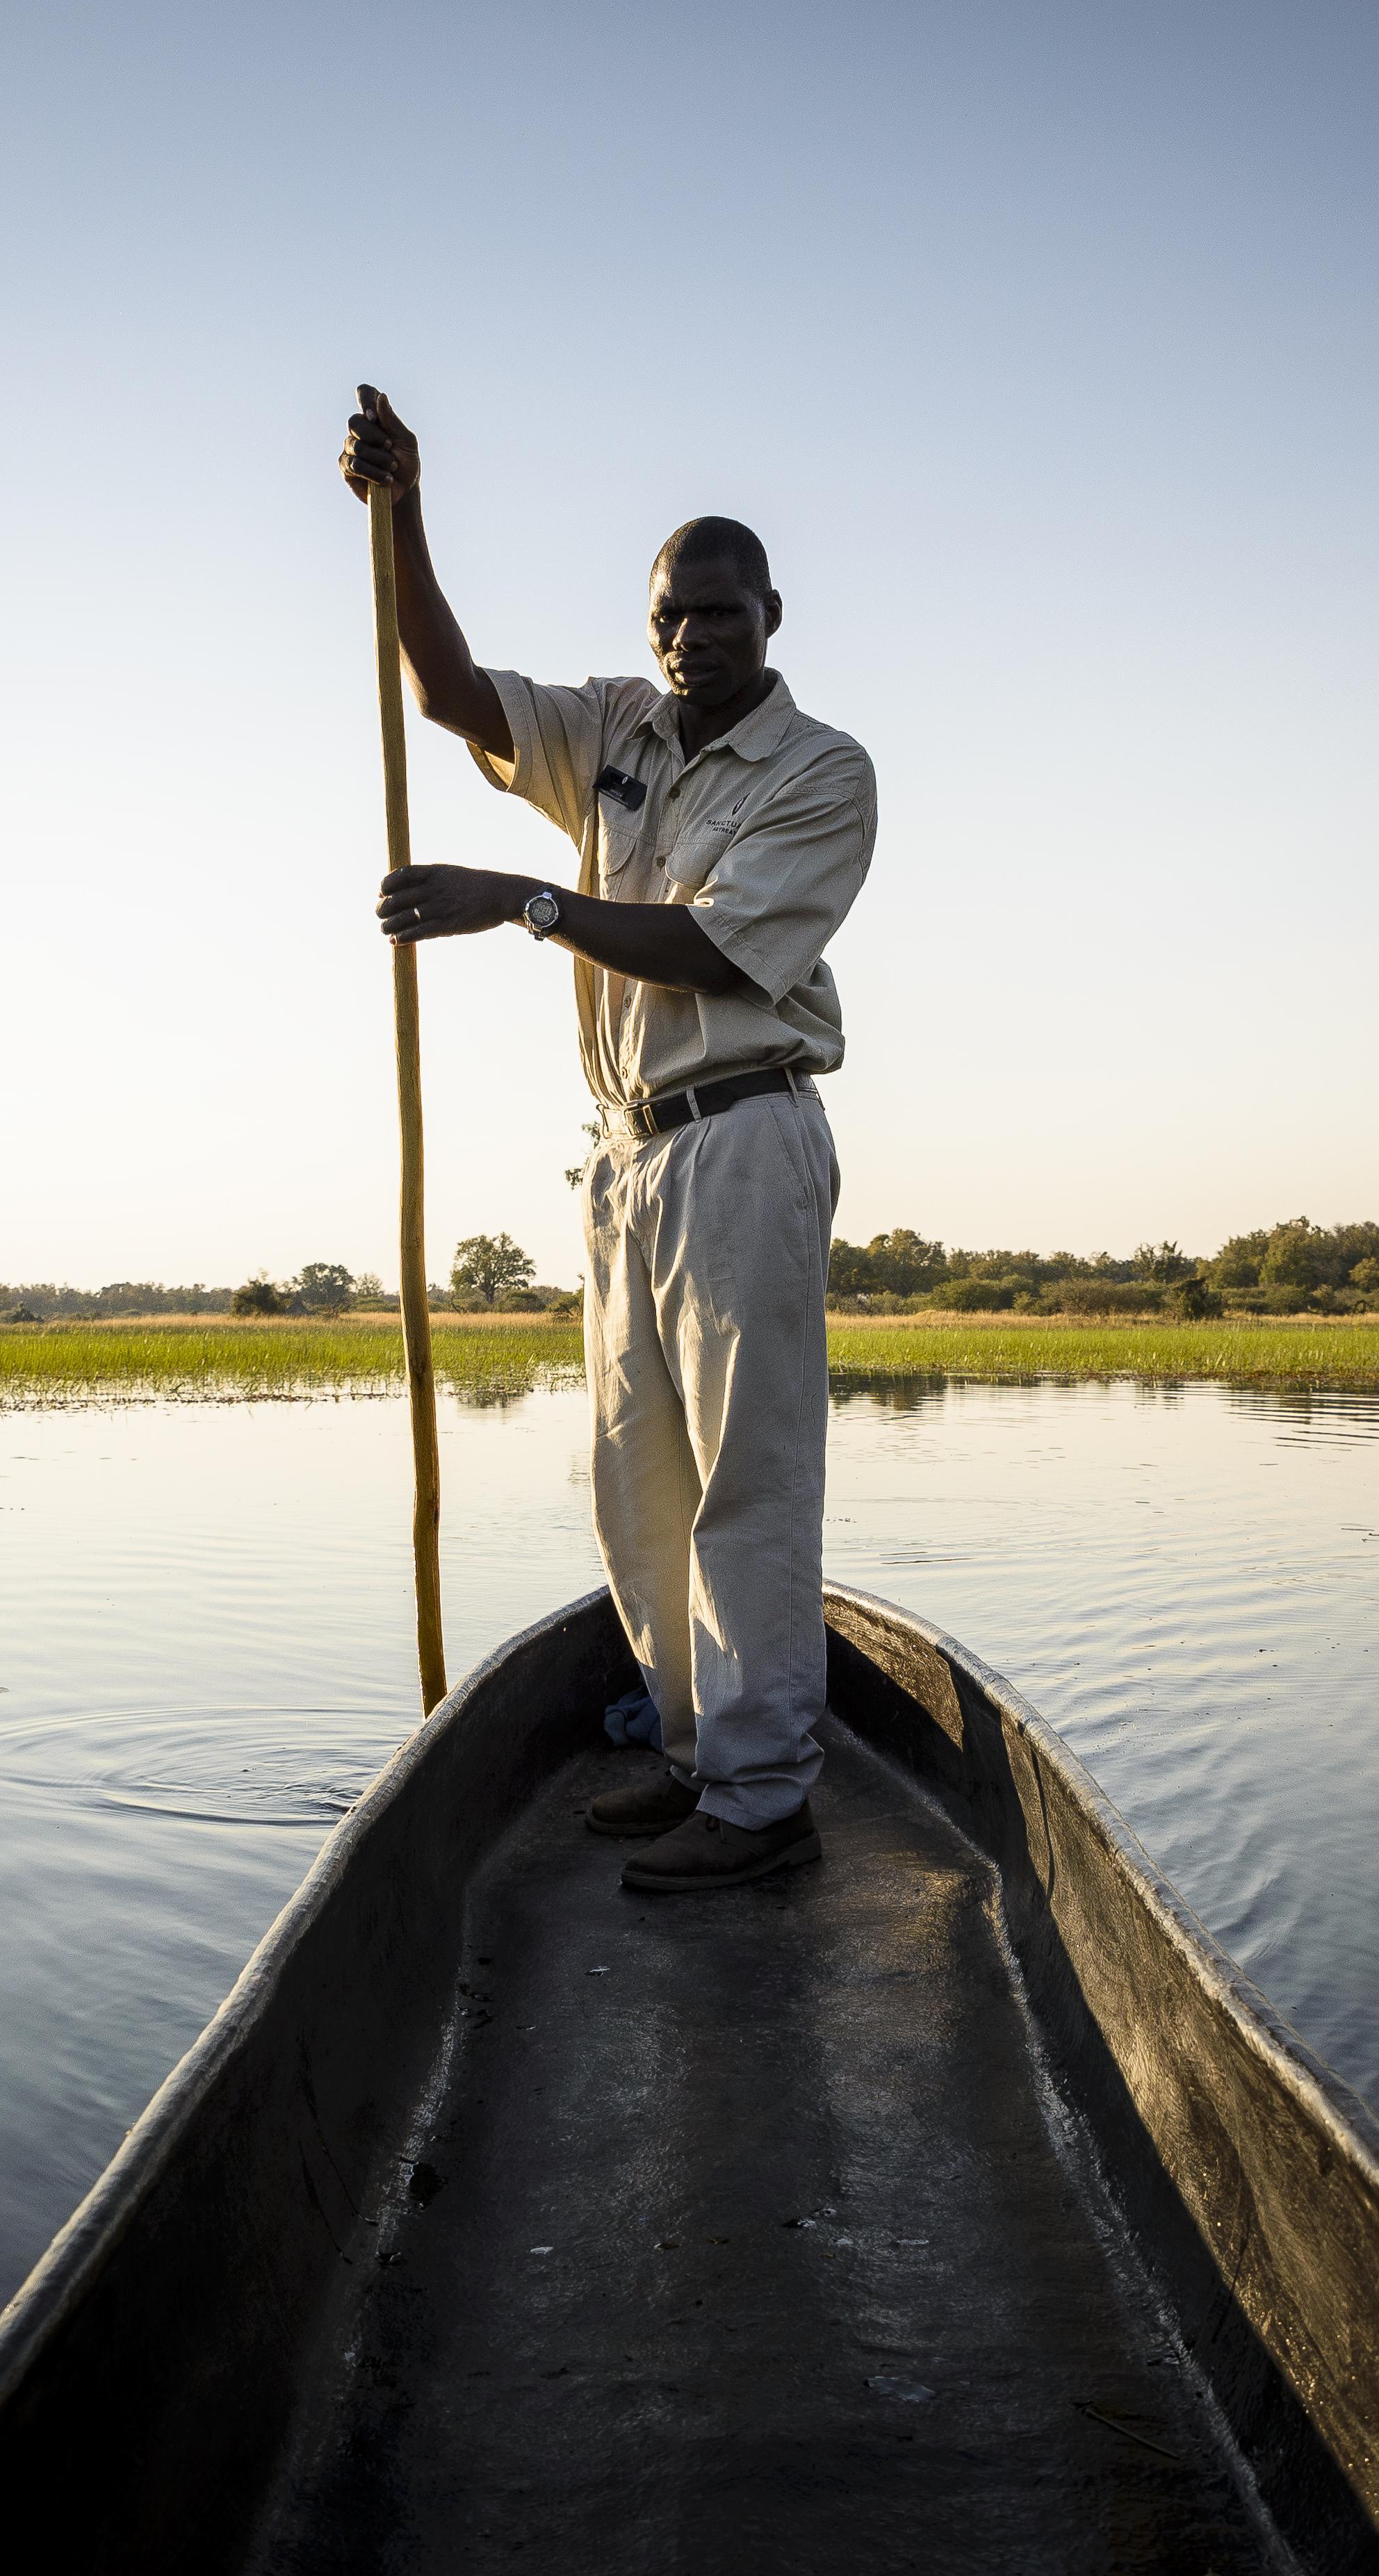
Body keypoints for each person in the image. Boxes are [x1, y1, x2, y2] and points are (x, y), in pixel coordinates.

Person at [339, 384, 875, 1893]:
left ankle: (765, 1802)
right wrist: (406, 513)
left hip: (744, 1134)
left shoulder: (821, 771)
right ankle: (698, 1754)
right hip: (626, 1154)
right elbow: (448, 695)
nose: (692, 637)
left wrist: (517, 900)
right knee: (631, 1471)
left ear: (769, 615)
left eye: (719, 612)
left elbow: (712, 950)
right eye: (670, 615)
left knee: (744, 1476)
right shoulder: (616, 728)